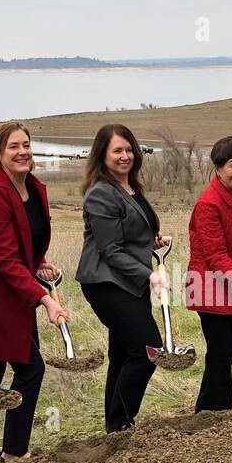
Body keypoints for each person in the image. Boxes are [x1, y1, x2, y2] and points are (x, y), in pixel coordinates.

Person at [0, 122, 67, 459]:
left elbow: (24, 239)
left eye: (26, 145)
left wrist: (39, 261)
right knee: (30, 369)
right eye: (13, 147)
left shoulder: (31, 187)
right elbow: (4, 258)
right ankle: (13, 450)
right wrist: (45, 298)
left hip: (14, 291)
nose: (22, 152)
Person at [76, 123, 168, 433]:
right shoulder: (101, 193)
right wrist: (150, 275)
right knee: (147, 351)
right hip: (107, 283)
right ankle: (122, 421)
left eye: (129, 149)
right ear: (102, 155)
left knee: (123, 354)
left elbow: (129, 235)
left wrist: (150, 242)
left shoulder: (131, 187)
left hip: (128, 282)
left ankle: (115, 427)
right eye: (117, 150)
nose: (125, 156)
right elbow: (110, 250)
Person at [185, 136, 232, 412]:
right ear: (218, 168)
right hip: (208, 284)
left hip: (229, 282)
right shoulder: (208, 204)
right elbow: (214, 254)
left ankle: (211, 409)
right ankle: (214, 411)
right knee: (220, 350)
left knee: (226, 350)